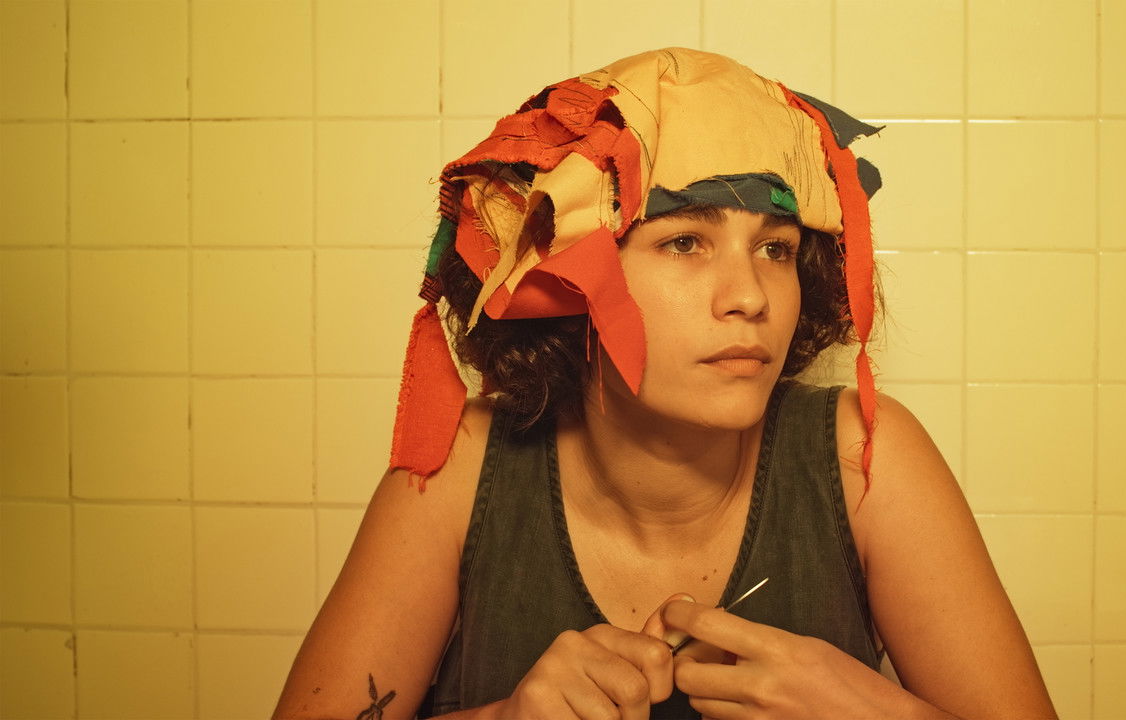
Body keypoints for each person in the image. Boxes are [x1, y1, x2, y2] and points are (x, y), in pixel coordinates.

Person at [274, 48, 1058, 720]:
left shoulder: (868, 459)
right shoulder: (459, 465)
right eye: (685, 243)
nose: (750, 296)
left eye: (776, 249)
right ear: (567, 282)